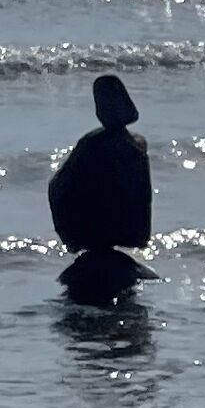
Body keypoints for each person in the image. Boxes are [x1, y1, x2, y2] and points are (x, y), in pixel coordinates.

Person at [48, 71, 152, 301]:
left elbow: (58, 188)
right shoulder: (131, 145)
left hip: (94, 240)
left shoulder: (98, 145)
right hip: (105, 240)